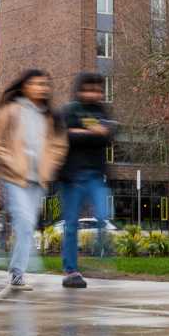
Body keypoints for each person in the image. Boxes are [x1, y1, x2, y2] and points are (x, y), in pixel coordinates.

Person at [0, 70, 68, 290]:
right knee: (24, 222)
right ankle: (18, 272)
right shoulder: (11, 110)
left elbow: (59, 145)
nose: (41, 88)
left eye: (44, 84)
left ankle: (17, 271)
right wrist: (10, 161)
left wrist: (50, 164)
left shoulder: (50, 116)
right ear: (24, 86)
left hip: (37, 180)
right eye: (36, 84)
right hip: (14, 176)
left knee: (27, 225)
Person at [55, 72, 117, 289]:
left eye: (98, 90)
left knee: (104, 216)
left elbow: (109, 136)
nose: (95, 94)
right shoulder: (70, 110)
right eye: (90, 89)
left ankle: (100, 259)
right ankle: (71, 270)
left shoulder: (102, 111)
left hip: (95, 176)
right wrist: (93, 131)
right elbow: (65, 135)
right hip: (72, 177)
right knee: (71, 225)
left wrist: (85, 131)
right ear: (80, 90)